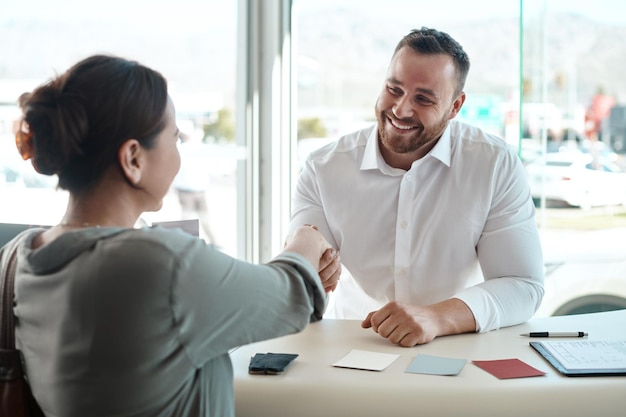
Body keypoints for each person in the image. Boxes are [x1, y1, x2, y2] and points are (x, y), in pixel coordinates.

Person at [1, 54, 341, 417]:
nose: (179, 157)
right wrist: (306, 239)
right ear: (133, 158)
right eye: (173, 138)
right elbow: (291, 293)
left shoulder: (14, 257)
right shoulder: (159, 264)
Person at [288, 27, 544, 347]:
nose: (401, 109)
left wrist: (438, 317)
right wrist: (308, 265)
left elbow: (522, 285)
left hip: (455, 348)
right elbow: (304, 263)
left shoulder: (494, 164)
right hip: (351, 349)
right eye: (394, 89)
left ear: (455, 106)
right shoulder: (323, 167)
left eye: (423, 98)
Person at [172, 125, 219, 245]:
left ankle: (214, 242)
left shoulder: (198, 148)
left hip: (199, 190)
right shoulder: (182, 150)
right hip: (186, 191)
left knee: (205, 219)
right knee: (187, 220)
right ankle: (187, 244)